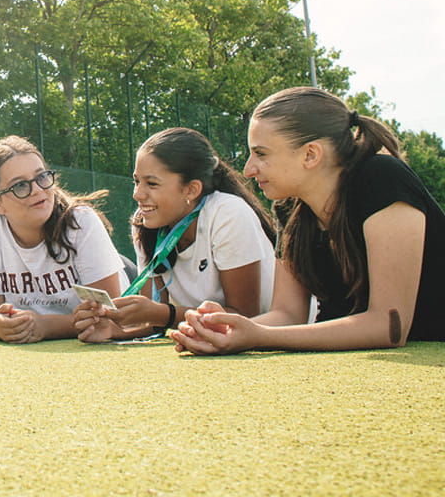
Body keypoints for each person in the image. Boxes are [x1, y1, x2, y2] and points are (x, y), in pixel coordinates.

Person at [171, 87, 445, 355]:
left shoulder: (382, 178)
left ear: (310, 154)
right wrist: (223, 330)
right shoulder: (290, 209)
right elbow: (287, 314)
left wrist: (259, 335)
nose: (249, 169)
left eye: (261, 154)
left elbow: (389, 326)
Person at [74, 127, 277, 343]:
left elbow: (245, 316)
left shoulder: (228, 212)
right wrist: (111, 329)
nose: (137, 194)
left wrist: (162, 313)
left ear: (191, 190)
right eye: (136, 181)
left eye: (152, 183)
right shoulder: (145, 223)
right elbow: (152, 321)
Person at [0, 135, 128, 343]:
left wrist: (46, 326)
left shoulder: (82, 221)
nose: (37, 190)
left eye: (41, 177)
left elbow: (108, 318)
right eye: (20, 186)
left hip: (125, 275)